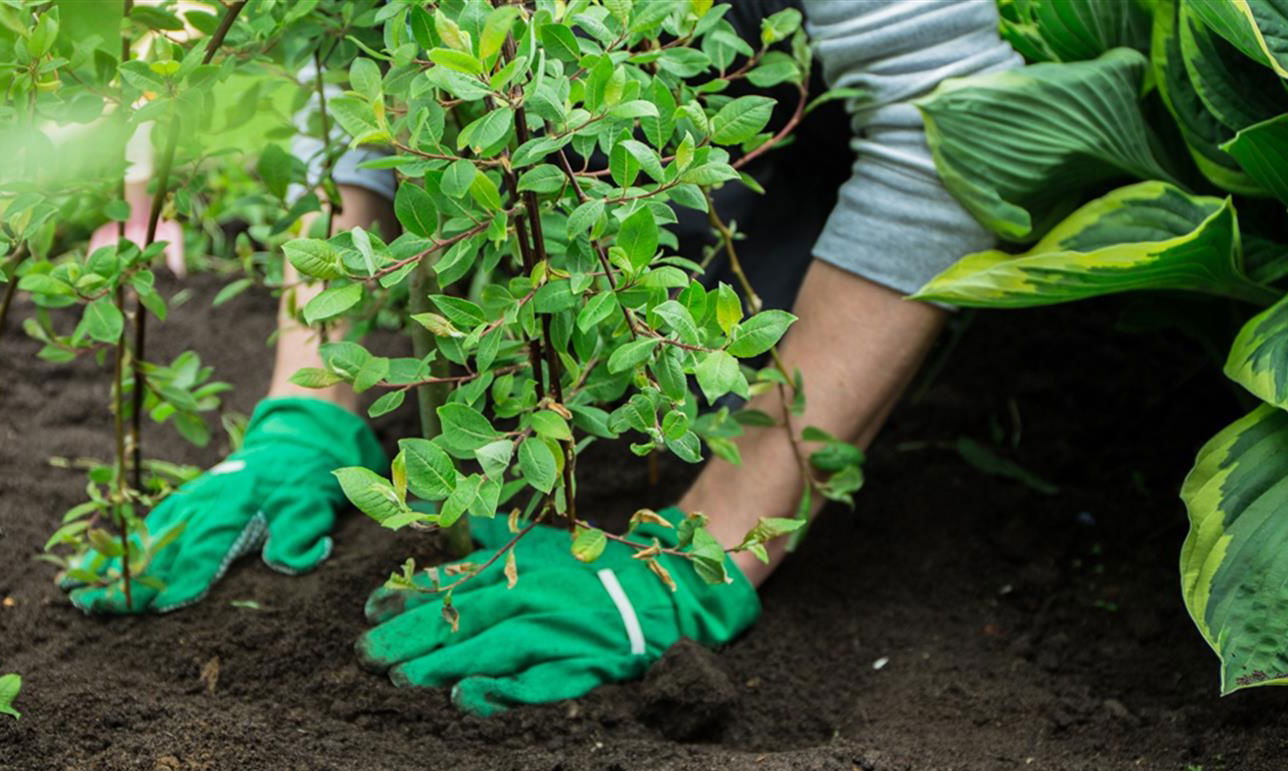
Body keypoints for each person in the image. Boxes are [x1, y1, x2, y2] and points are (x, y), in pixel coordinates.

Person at [68, 0, 1022, 715]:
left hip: (808, 172)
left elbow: (951, 118)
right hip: (604, 180)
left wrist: (715, 538)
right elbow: (368, 70)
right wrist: (310, 400)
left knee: (713, 326)